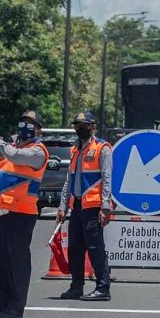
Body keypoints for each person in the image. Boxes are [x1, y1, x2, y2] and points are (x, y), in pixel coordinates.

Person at [0, 110, 49, 318]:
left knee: (17, 262)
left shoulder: (37, 152)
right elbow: (1, 177)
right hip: (0, 213)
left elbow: (14, 155)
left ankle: (15, 306)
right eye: (23, 121)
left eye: (30, 123)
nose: (25, 126)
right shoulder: (13, 150)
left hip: (21, 214)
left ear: (39, 129)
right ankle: (1, 305)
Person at [55, 111, 112, 301]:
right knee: (75, 248)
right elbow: (68, 181)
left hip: (94, 207)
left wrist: (105, 207)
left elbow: (107, 178)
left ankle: (103, 288)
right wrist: (63, 205)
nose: (79, 128)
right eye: (77, 125)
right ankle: (76, 286)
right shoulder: (74, 150)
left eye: (83, 125)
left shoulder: (102, 148)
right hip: (77, 206)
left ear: (92, 126)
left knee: (96, 248)